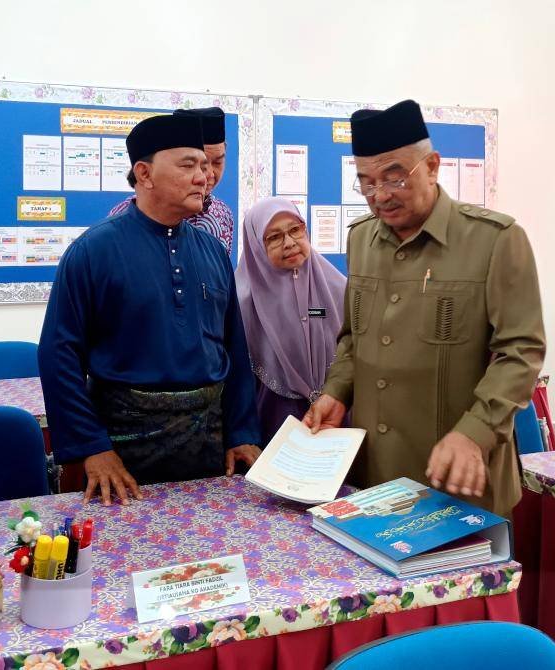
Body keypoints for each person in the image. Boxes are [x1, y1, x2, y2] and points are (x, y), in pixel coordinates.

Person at [305, 100, 545, 517]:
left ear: (432, 166)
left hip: (457, 472)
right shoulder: (361, 240)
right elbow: (352, 338)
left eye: (394, 178)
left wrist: (476, 432)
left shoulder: (494, 239)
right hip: (373, 475)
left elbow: (520, 352)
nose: (379, 195)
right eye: (366, 182)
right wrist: (337, 391)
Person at [39, 113, 261, 507]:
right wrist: (92, 447)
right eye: (188, 165)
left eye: (206, 166)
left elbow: (235, 350)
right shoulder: (92, 251)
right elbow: (59, 356)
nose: (203, 177)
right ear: (144, 174)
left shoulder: (212, 251)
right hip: (121, 453)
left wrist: (242, 432)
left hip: (207, 447)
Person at [235, 196, 346, 441]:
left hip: (334, 416)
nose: (289, 243)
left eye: (295, 230)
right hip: (271, 417)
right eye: (274, 237)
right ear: (255, 246)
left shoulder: (338, 287)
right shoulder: (241, 300)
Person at [109, 107, 235, 253]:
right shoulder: (121, 222)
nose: (208, 175)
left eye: (218, 163)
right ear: (144, 173)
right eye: (189, 165)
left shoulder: (222, 215)